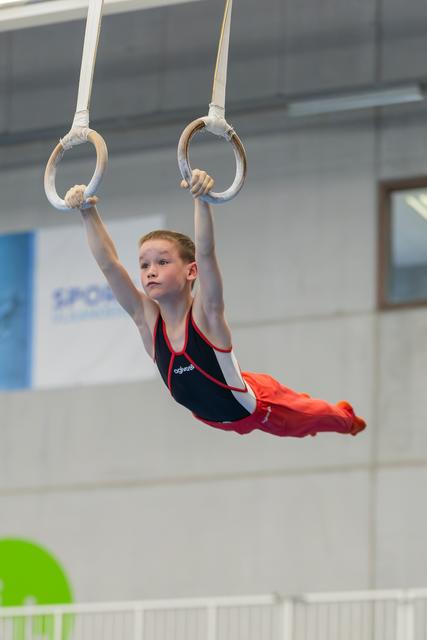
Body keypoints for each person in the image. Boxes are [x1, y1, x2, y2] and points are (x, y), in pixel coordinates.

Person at [64, 170, 366, 438]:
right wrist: (86, 211)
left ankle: (347, 419)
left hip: (258, 407)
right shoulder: (146, 321)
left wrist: (202, 199)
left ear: (191, 271)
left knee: (321, 418)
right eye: (144, 265)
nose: (150, 271)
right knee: (309, 420)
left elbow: (206, 253)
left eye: (163, 262)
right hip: (214, 418)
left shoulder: (206, 315)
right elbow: (109, 265)